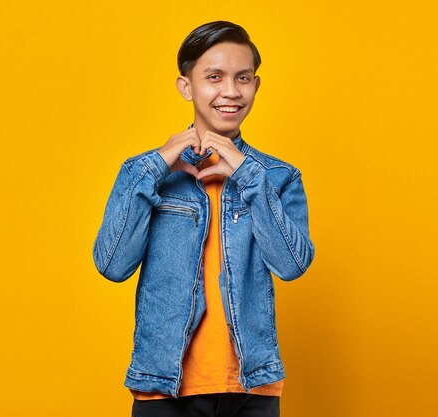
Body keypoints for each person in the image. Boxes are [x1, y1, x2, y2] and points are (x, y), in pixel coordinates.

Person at [92, 20, 315, 417]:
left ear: (256, 86)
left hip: (252, 385)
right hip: (164, 385)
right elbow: (112, 266)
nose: (231, 91)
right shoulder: (145, 173)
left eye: (242, 78)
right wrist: (156, 167)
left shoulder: (277, 177)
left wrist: (248, 176)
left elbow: (292, 265)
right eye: (215, 77)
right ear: (187, 86)